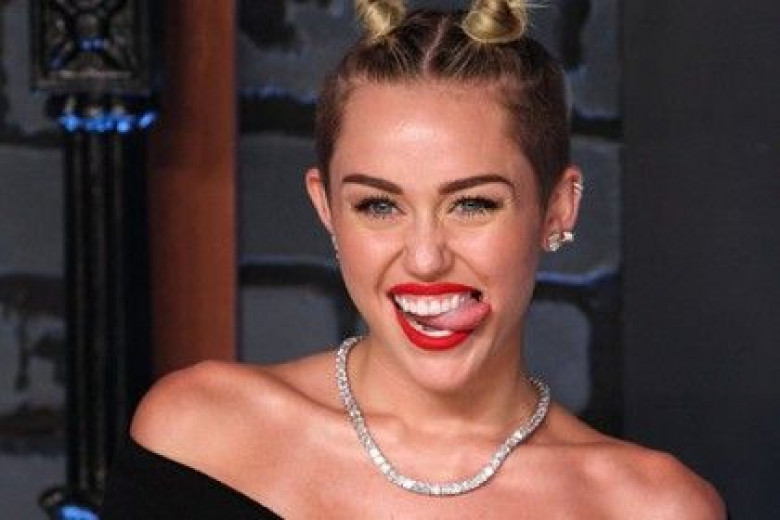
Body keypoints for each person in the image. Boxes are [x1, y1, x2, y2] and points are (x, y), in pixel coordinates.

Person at [102, 1, 726, 518]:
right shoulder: (201, 435)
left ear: (558, 208)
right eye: (378, 206)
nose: (425, 259)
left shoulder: (650, 507)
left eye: (473, 204)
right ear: (326, 208)